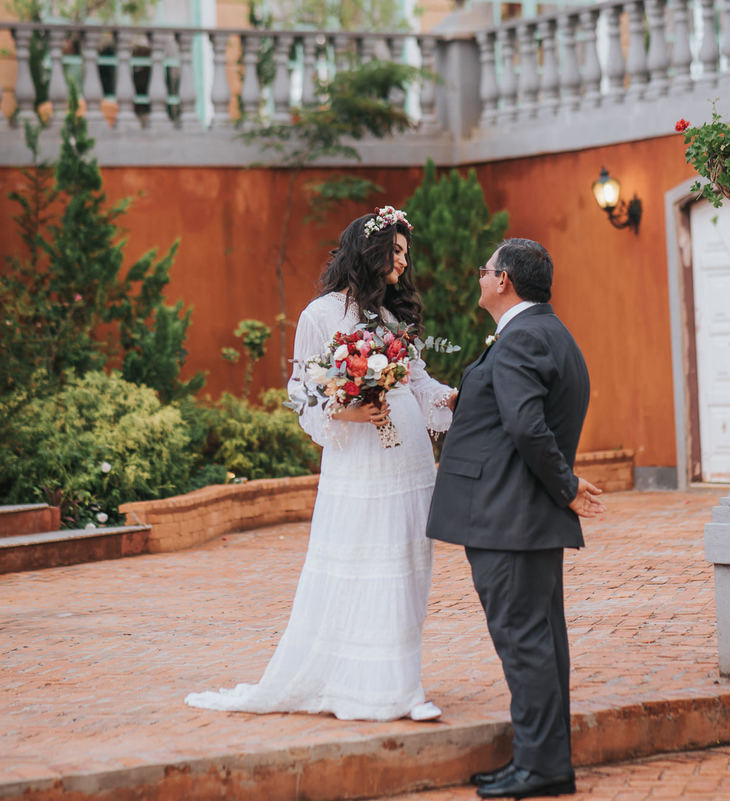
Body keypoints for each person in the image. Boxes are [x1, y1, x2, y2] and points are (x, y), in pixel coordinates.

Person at [186, 206, 457, 722]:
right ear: (370, 252)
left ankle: (401, 679)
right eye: (396, 251)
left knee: (407, 564)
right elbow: (302, 393)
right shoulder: (320, 316)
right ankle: (381, 690)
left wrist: (455, 398)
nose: (403, 262)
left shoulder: (394, 317)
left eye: (406, 253)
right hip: (359, 464)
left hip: (409, 462)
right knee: (367, 565)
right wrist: (351, 412)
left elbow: (418, 382)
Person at [426, 238, 604, 799]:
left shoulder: (523, 338)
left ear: (503, 280)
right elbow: (519, 418)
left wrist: (567, 487)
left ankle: (542, 767)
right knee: (540, 641)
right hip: (523, 516)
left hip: (508, 517)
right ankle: (539, 759)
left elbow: (528, 427)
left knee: (525, 643)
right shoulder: (548, 332)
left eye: (484, 270)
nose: (480, 278)